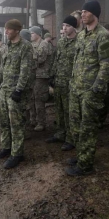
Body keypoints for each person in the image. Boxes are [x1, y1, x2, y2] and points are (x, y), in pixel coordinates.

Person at [67, 0, 109, 177]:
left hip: (90, 91)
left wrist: (96, 88)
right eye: (82, 12)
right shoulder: (81, 35)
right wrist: (72, 83)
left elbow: (107, 65)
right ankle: (81, 155)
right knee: (75, 126)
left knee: (87, 127)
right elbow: (77, 62)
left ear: (95, 14)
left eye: (86, 12)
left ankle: (85, 165)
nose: (83, 15)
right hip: (76, 88)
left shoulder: (103, 36)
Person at [0, 19, 33, 169]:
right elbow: (3, 67)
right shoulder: (7, 46)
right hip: (4, 89)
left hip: (15, 92)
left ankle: (17, 154)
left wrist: (19, 89)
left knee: (16, 124)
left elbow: (25, 70)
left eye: (9, 29)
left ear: (16, 30)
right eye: (5, 29)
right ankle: (6, 148)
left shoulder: (25, 47)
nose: (6, 32)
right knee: (3, 121)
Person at [46, 16, 78, 147]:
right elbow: (56, 60)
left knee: (69, 112)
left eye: (68, 26)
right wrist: (52, 76)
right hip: (59, 81)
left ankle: (71, 138)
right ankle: (60, 134)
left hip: (70, 83)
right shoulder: (62, 42)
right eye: (63, 25)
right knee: (58, 110)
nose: (64, 28)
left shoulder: (79, 42)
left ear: (74, 27)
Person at [28, 26, 52, 132]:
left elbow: (40, 59)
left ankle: (41, 122)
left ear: (38, 34)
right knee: (32, 98)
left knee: (39, 99)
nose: (31, 35)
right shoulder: (32, 44)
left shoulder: (44, 44)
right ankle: (33, 119)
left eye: (32, 33)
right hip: (33, 75)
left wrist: (29, 59)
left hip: (41, 76)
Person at [98, 22, 109, 128]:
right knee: (104, 98)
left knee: (106, 99)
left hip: (108, 75)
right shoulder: (106, 40)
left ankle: (100, 120)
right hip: (104, 76)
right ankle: (99, 120)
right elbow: (106, 60)